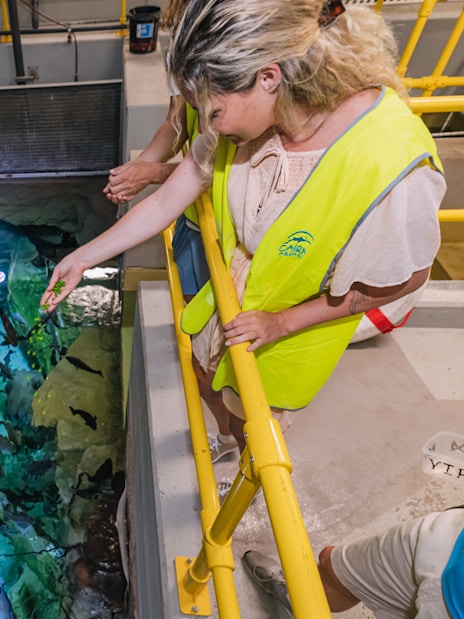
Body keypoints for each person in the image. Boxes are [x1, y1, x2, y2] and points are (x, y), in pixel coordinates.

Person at [41, 0, 446, 465]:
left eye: (213, 112)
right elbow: (169, 200)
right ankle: (227, 437)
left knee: (256, 420)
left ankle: (246, 468)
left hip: (289, 329)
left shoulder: (391, 164)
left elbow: (404, 280)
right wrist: (81, 259)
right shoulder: (251, 116)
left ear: (267, 77)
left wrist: (282, 323)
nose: (208, 125)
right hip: (231, 300)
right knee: (208, 378)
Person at [104, 0, 210, 302]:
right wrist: (138, 168)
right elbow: (176, 121)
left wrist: (154, 172)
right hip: (190, 216)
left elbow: (215, 164)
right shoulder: (179, 51)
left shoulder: (228, 78)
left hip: (222, 225)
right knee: (189, 303)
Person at [244, 507, 464, 618]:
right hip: (450, 545)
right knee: (330, 565)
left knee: (330, 568)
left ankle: (301, 601)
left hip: (453, 585)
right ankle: (298, 600)